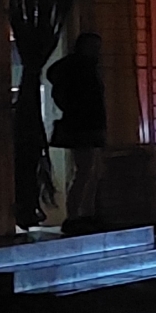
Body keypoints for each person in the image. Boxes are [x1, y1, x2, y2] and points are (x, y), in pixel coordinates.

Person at [47, 32, 108, 233]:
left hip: (85, 124)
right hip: (85, 125)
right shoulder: (81, 68)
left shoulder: (79, 67)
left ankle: (82, 213)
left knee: (88, 171)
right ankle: (77, 215)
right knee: (86, 171)